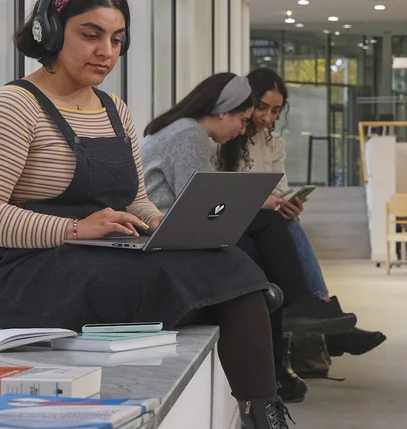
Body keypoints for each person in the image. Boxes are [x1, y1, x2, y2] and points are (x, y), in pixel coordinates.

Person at [0, 0, 343, 429]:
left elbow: (135, 199)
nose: (106, 51)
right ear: (51, 31)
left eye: (117, 39)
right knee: (240, 279)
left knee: (234, 265)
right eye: (90, 34)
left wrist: (165, 224)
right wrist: (73, 228)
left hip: (97, 253)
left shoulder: (113, 109)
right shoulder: (14, 106)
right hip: (26, 270)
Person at [140, 72, 368, 404]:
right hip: (172, 237)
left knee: (261, 267)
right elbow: (201, 206)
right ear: (223, 111)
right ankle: (298, 314)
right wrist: (256, 202)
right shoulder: (189, 134)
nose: (242, 130)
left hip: (177, 233)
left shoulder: (183, 130)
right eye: (242, 120)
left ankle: (281, 360)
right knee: (268, 229)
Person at [221, 68, 387, 378]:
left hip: (263, 218)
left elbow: (278, 187)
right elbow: (224, 190)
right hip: (235, 218)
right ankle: (324, 310)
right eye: (262, 107)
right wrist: (267, 202)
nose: (267, 117)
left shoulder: (272, 143)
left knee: (287, 221)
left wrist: (288, 202)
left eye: (275, 110)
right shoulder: (227, 135)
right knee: (280, 225)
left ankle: (320, 311)